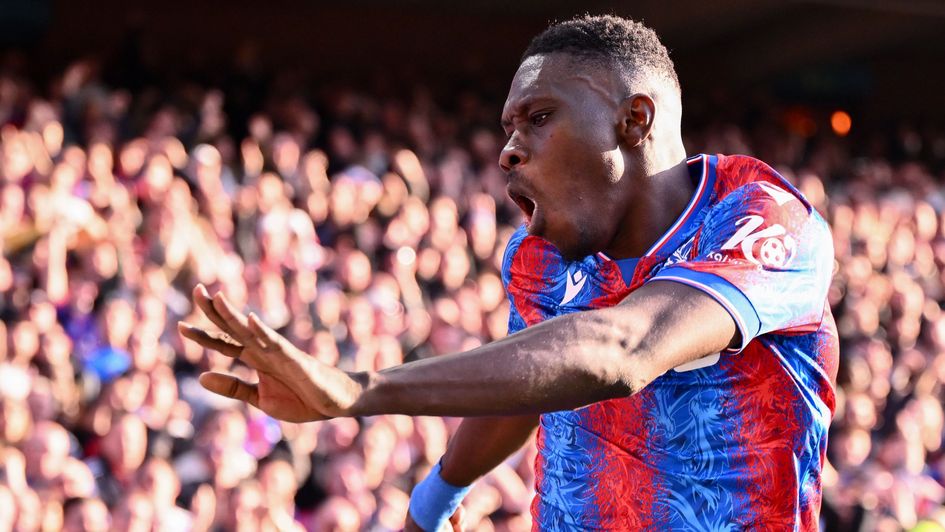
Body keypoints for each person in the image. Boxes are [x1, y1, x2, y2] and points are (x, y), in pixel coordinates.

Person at [179, 14, 837, 530]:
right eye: (507, 127)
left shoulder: (759, 219)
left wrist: (362, 389)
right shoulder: (543, 254)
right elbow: (530, 385)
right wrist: (432, 502)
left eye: (538, 117)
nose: (507, 150)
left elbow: (620, 350)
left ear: (633, 120)